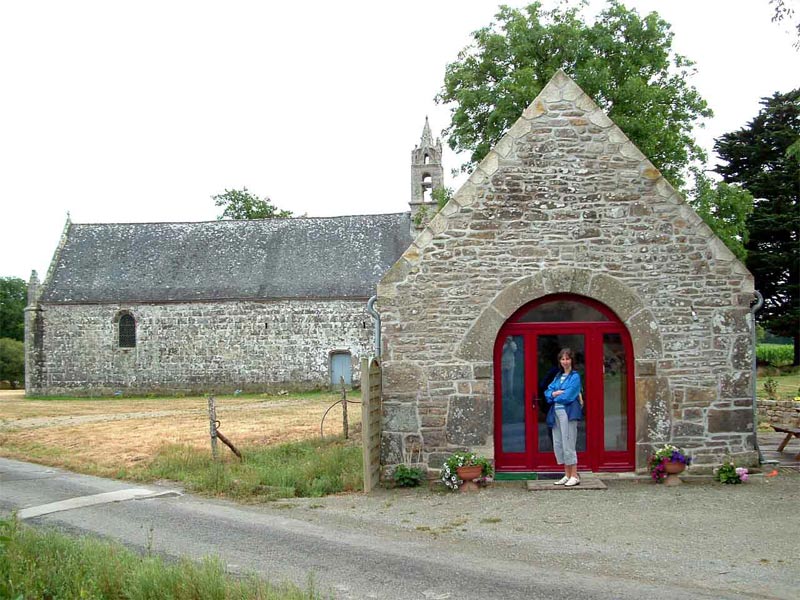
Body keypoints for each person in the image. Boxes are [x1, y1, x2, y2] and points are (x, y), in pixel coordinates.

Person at [544, 348, 583, 487]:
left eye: (567, 359)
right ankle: (566, 474)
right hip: (556, 413)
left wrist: (555, 394)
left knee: (569, 441)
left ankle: (574, 475)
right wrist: (554, 394)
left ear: (572, 360)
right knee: (559, 443)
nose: (565, 362)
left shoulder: (575, 377)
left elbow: (569, 395)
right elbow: (547, 392)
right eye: (562, 359)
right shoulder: (558, 376)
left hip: (568, 413)